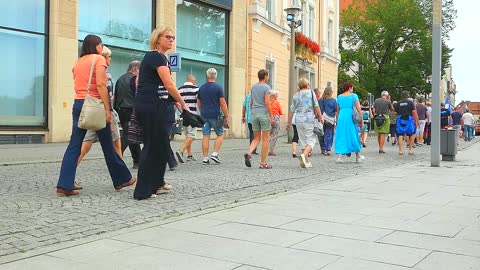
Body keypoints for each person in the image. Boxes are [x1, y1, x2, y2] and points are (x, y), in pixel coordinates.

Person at [56, 34, 135, 196]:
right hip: (95, 105)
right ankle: (121, 179)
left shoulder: (78, 63)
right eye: (101, 45)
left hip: (79, 104)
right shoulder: (98, 60)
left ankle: (64, 184)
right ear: (97, 46)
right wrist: (107, 109)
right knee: (108, 144)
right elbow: (100, 84)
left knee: (74, 145)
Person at [133, 27, 189, 200]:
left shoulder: (158, 58)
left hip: (152, 104)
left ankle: (157, 184)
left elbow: (162, 87)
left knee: (158, 146)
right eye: (168, 37)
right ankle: (142, 191)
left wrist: (177, 105)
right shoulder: (156, 56)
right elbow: (169, 85)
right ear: (158, 39)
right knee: (151, 147)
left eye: (173, 37)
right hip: (152, 106)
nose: (171, 39)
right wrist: (184, 105)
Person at [77, 46, 122, 171]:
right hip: (104, 112)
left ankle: (71, 172)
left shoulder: (91, 72)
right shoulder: (105, 75)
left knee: (86, 145)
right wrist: (110, 112)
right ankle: (122, 175)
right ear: (104, 58)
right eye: (109, 57)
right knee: (116, 144)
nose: (111, 59)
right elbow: (106, 93)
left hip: (93, 111)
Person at [286, 78, 323, 168]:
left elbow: (291, 110)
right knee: (311, 140)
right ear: (307, 85)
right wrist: (320, 116)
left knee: (303, 141)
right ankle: (303, 155)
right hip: (309, 119)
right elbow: (316, 106)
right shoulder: (311, 92)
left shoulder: (296, 95)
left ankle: (306, 161)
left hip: (298, 120)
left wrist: (289, 122)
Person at [197, 68, 230, 165]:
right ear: (215, 76)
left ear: (207, 76)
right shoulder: (218, 88)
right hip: (215, 115)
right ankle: (215, 154)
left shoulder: (201, 88)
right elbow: (223, 103)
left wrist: (202, 111)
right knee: (220, 134)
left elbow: (199, 102)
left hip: (204, 115)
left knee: (206, 135)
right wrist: (227, 116)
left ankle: (205, 158)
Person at [244, 69, 274, 169]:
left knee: (256, 138)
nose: (268, 77)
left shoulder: (253, 87)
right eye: (268, 76)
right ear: (265, 76)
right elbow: (267, 102)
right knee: (266, 139)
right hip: (263, 114)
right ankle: (263, 163)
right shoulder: (266, 87)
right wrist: (271, 116)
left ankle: (249, 153)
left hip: (254, 113)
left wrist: (252, 112)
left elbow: (251, 102)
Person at [114, 60, 141, 169]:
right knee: (128, 134)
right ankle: (116, 156)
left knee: (131, 134)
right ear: (135, 69)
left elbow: (116, 95)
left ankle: (137, 160)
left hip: (121, 109)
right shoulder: (134, 79)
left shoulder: (120, 78)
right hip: (131, 108)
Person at [334, 82, 364, 163]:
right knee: (353, 134)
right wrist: (361, 120)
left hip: (342, 117)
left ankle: (339, 157)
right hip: (350, 117)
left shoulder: (339, 97)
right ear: (350, 87)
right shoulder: (354, 96)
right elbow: (358, 109)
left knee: (341, 135)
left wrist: (337, 120)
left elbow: (338, 110)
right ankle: (357, 156)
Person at [176, 75, 199, 162]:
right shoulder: (196, 89)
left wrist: (181, 112)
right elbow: (198, 100)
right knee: (192, 135)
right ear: (192, 80)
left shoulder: (179, 89)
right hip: (192, 114)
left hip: (183, 115)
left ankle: (189, 155)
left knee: (188, 135)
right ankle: (181, 151)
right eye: (195, 81)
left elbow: (177, 102)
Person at [394, 91, 419, 156]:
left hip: (400, 119)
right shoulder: (410, 102)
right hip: (409, 119)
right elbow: (414, 112)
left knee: (400, 135)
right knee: (411, 134)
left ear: (401, 96)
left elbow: (395, 113)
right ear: (408, 95)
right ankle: (410, 150)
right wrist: (416, 121)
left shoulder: (398, 103)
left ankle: (400, 151)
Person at [318, 86, 337, 156]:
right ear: (331, 92)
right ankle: (326, 149)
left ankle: (323, 149)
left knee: (321, 134)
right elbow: (336, 110)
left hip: (321, 119)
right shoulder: (333, 100)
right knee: (328, 134)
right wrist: (336, 119)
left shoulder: (320, 100)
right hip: (330, 120)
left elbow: (318, 109)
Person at [268, 90, 282, 156]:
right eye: (277, 95)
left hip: (267, 118)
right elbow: (281, 112)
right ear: (274, 96)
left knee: (267, 135)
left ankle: (265, 150)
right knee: (274, 135)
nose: (277, 97)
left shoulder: (267, 102)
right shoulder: (277, 102)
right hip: (276, 118)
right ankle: (271, 151)